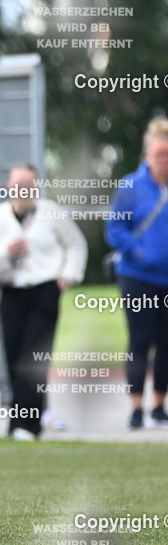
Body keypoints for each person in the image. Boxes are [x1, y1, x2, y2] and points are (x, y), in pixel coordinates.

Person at [0, 163, 87, 440]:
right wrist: (6, 250)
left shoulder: (51, 212)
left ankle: (25, 426)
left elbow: (76, 245)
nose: (22, 189)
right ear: (8, 186)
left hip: (45, 292)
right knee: (13, 357)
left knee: (34, 358)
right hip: (13, 292)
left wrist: (67, 276)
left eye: (28, 183)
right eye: (17, 183)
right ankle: (24, 422)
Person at [105, 118, 168, 429]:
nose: (164, 160)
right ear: (147, 155)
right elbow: (114, 229)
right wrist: (138, 252)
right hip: (137, 276)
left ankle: (159, 405)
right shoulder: (131, 187)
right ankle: (135, 407)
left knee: (167, 342)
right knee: (140, 339)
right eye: (160, 154)